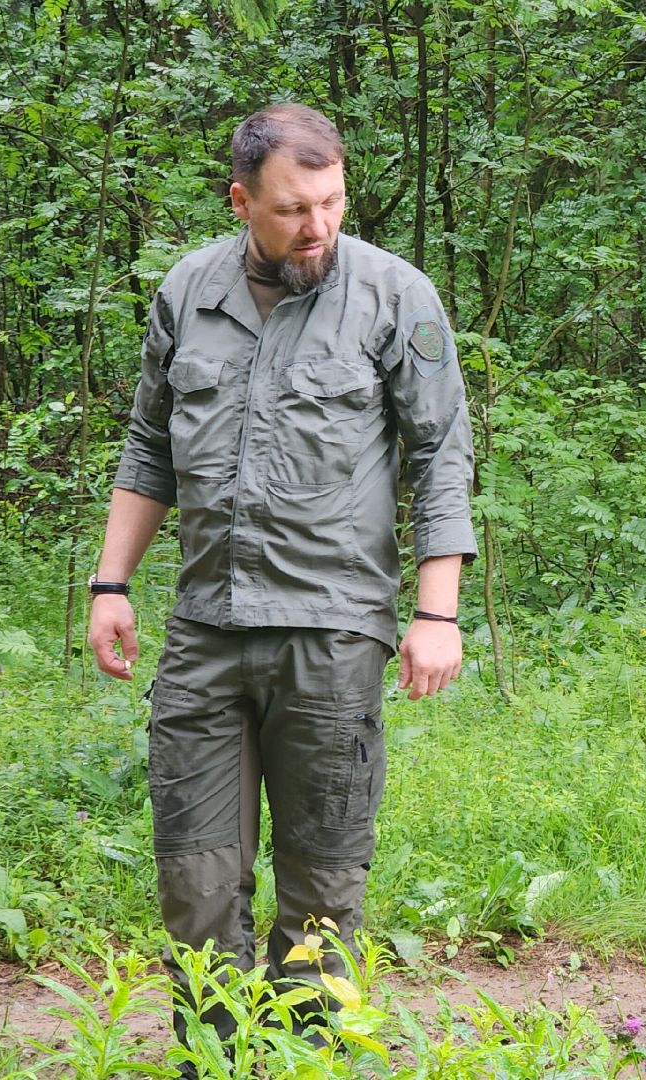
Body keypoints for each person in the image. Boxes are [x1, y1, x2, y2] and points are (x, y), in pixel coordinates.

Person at [84, 103, 476, 1028]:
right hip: (205, 633)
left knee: (323, 884)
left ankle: (309, 1056)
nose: (319, 228)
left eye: (333, 203)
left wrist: (437, 613)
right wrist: (110, 584)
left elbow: (440, 455)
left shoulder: (394, 295)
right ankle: (212, 1057)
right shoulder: (188, 291)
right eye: (296, 209)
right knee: (196, 878)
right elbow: (148, 448)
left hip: (332, 631)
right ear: (241, 201)